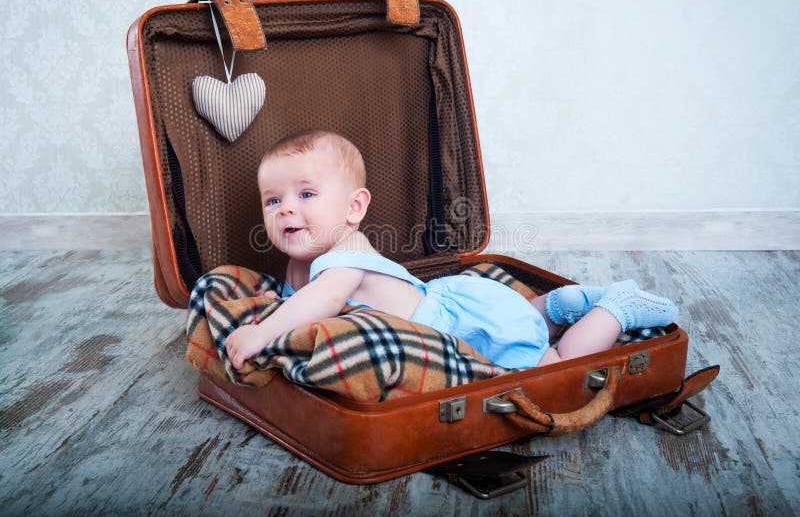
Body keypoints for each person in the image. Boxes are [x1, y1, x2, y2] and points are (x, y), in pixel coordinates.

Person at [225, 130, 678, 371]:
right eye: (273, 200)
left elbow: (323, 300)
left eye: (306, 195)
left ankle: (616, 309)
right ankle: (557, 307)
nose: (285, 211)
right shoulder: (301, 261)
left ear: (354, 207)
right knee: (522, 319)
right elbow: (302, 303)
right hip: (456, 302)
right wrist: (278, 306)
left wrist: (261, 334)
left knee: (551, 369)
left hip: (452, 325)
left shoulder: (344, 253)